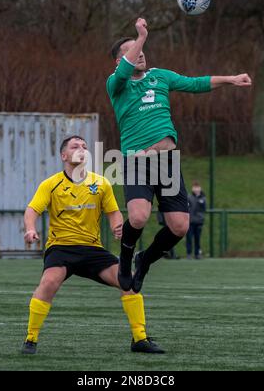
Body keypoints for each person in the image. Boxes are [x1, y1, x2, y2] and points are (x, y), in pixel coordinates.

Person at [106, 17, 252, 293]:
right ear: (118, 61)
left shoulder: (160, 76)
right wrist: (141, 37)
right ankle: (125, 260)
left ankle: (145, 260)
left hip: (167, 162)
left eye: (140, 48)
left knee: (180, 226)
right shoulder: (116, 83)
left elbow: (195, 83)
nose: (140, 52)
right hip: (136, 160)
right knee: (138, 217)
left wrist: (231, 79)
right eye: (131, 49)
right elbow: (125, 68)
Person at [21, 135, 164, 355]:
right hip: (61, 248)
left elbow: (114, 213)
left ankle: (139, 338)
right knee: (49, 282)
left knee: (129, 280)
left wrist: (118, 227)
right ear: (64, 155)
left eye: (84, 147)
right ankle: (31, 339)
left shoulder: (101, 183)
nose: (81, 149)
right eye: (75, 146)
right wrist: (30, 228)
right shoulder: (50, 184)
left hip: (92, 249)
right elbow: (32, 210)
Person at [186, 182, 206, 260]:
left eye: (198, 187)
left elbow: (204, 209)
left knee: (197, 239)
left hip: (199, 221)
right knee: (189, 238)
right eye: (195, 187)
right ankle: (189, 253)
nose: (196, 189)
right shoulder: (189, 197)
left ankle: (197, 254)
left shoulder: (203, 198)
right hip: (190, 221)